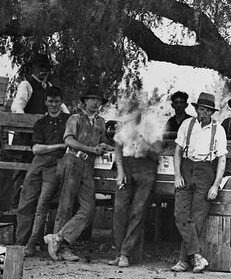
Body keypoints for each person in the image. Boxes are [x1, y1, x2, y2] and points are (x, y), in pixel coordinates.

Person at [44, 86, 113, 262]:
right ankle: (61, 250)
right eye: (92, 99)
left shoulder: (101, 122)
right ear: (85, 101)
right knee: (65, 205)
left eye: (99, 100)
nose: (96, 103)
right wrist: (90, 148)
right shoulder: (75, 118)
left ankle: (59, 239)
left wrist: (109, 147)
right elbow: (68, 140)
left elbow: (103, 141)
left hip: (88, 166)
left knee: (88, 209)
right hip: (72, 161)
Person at [171, 92, 228, 273]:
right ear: (196, 109)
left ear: (212, 112)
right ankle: (197, 257)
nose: (203, 113)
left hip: (206, 170)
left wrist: (215, 184)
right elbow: (177, 151)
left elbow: (222, 159)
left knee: (197, 218)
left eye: (207, 110)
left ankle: (183, 260)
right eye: (200, 109)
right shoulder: (187, 125)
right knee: (180, 214)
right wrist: (177, 175)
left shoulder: (218, 129)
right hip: (187, 168)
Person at [15, 86, 69, 256]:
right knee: (26, 202)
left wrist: (52, 149)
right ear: (45, 102)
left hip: (56, 165)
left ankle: (31, 244)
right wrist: (59, 145)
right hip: (38, 164)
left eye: (57, 101)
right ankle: (19, 243)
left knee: (42, 205)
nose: (53, 104)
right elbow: (36, 149)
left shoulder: (69, 120)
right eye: (50, 101)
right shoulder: (41, 123)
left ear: (61, 103)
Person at [111, 99, 164, 268]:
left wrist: (143, 141)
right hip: (126, 166)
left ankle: (126, 253)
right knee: (119, 210)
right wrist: (120, 171)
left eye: (135, 112)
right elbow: (117, 147)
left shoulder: (152, 125)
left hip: (145, 168)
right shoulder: (123, 125)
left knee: (137, 211)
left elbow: (157, 152)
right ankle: (119, 252)